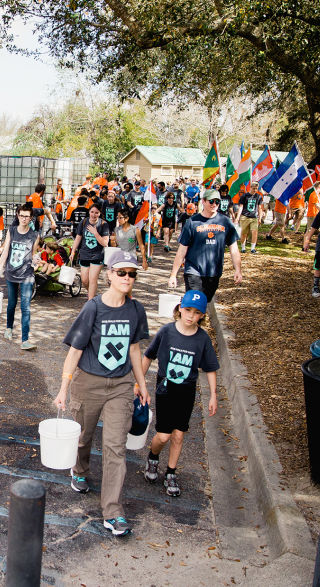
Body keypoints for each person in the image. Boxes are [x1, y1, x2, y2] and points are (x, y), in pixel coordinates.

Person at [55, 249, 150, 537]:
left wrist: (141, 384)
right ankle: (79, 469)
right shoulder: (93, 308)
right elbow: (75, 350)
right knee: (83, 437)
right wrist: (64, 388)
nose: (127, 278)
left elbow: (134, 349)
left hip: (120, 386)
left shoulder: (136, 310)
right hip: (89, 382)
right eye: (121, 272)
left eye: (132, 273)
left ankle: (113, 511)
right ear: (109, 274)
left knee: (115, 447)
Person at [141, 289, 219, 497]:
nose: (191, 315)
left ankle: (171, 472)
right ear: (179, 309)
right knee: (164, 435)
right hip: (166, 388)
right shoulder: (167, 332)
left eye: (196, 312)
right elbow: (148, 356)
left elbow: (210, 368)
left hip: (186, 390)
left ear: (202, 316)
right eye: (187, 310)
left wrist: (213, 395)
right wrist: (139, 383)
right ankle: (153, 456)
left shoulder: (202, 339)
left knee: (178, 434)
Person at [168, 189, 242, 303]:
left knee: (204, 305)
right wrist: (173, 274)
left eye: (217, 202)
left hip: (214, 272)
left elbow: (234, 249)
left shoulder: (225, 222)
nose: (214, 204)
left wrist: (238, 270)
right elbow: (182, 250)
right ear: (203, 201)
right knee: (194, 304)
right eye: (211, 201)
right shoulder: (192, 222)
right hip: (193, 271)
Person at [0, 205, 42, 350]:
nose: (24, 219)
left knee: (26, 307)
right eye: (22, 215)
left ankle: (25, 340)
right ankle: (9, 328)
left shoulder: (34, 235)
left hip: (27, 274)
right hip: (11, 273)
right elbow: (5, 253)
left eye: (27, 216)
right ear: (17, 215)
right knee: (12, 303)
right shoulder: (11, 231)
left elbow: (33, 254)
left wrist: (36, 260)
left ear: (31, 218)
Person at [69, 204, 111, 301]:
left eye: (96, 213)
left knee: (92, 279)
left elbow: (105, 243)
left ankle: (90, 301)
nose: (94, 215)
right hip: (84, 254)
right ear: (89, 212)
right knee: (84, 280)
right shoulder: (83, 222)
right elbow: (78, 237)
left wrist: (95, 233)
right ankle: (92, 294)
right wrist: (73, 251)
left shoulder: (103, 224)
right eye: (92, 212)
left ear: (100, 213)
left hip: (97, 255)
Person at [237, 184, 264, 254]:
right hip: (245, 216)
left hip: (254, 217)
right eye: (253, 188)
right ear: (250, 187)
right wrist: (237, 217)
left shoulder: (258, 196)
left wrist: (260, 218)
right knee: (244, 233)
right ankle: (243, 247)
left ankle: (253, 248)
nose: (255, 190)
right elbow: (241, 207)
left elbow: (259, 208)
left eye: (256, 188)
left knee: (254, 232)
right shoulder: (244, 196)